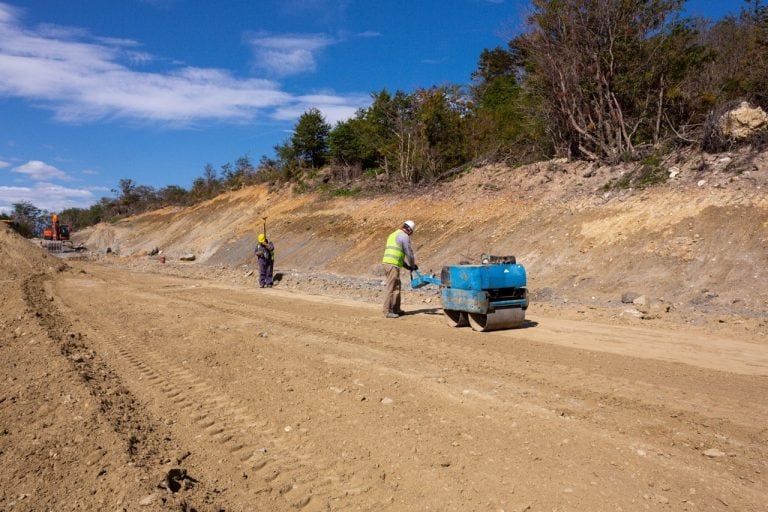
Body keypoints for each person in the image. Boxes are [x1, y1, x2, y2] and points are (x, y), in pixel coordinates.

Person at [381, 220, 417, 318]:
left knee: (397, 286)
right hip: (392, 265)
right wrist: (413, 265)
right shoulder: (404, 236)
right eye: (411, 232)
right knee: (391, 287)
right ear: (409, 230)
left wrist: (407, 267)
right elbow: (409, 253)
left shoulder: (393, 234)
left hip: (389, 263)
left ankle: (396, 309)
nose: (410, 234)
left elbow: (398, 256)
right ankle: (387, 311)